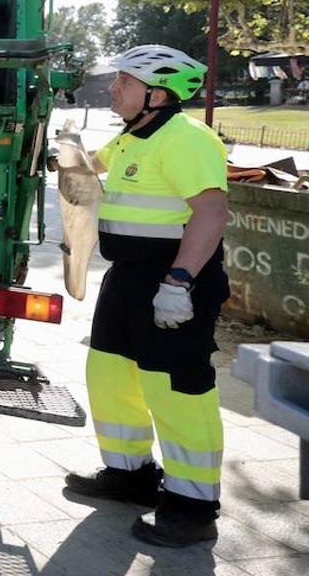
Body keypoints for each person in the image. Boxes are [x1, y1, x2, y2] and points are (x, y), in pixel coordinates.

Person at [64, 45, 230, 547]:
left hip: (173, 280)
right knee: (111, 375)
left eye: (124, 83)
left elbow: (211, 214)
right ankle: (130, 474)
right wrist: (65, 151)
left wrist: (178, 283)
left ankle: (194, 506)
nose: (114, 90)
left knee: (176, 391)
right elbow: (90, 167)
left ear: (157, 94)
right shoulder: (134, 135)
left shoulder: (186, 139)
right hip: (127, 278)